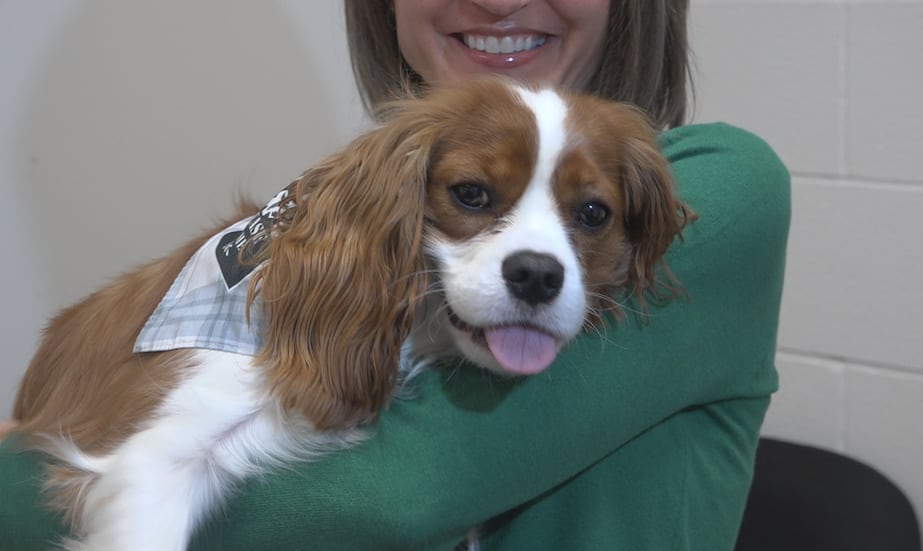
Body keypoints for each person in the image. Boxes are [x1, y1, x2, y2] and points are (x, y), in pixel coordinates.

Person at [0, 0, 790, 549]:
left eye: (589, 216)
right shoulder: (325, 234)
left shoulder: (718, 188)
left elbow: (383, 504)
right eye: (474, 196)